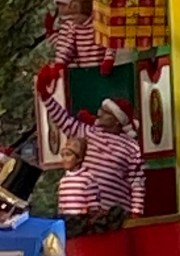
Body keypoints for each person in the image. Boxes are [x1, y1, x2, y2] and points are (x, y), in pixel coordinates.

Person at [36, 67, 145, 219]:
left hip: (115, 215)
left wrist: (136, 212)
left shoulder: (132, 147)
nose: (99, 113)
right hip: (85, 213)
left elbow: (137, 181)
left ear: (117, 121)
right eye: (101, 109)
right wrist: (45, 95)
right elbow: (63, 120)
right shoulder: (89, 132)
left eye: (106, 112)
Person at [58, 138, 101, 217]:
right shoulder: (63, 181)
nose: (64, 159)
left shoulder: (87, 178)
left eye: (68, 155)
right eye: (62, 155)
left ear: (79, 158)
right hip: (67, 221)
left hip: (82, 221)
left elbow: (94, 207)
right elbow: (61, 207)